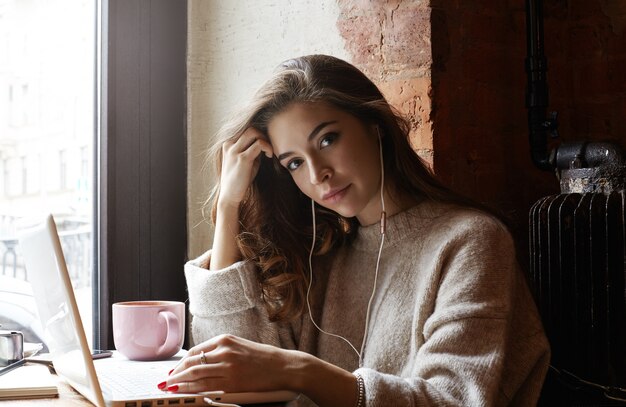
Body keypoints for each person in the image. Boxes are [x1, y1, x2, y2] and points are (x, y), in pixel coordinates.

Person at [161, 55, 550, 406]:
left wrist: (301, 372)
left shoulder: (471, 241)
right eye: (294, 162)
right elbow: (233, 375)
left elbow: (454, 399)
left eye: (327, 139)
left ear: (375, 126)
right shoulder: (321, 253)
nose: (317, 174)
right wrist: (228, 208)